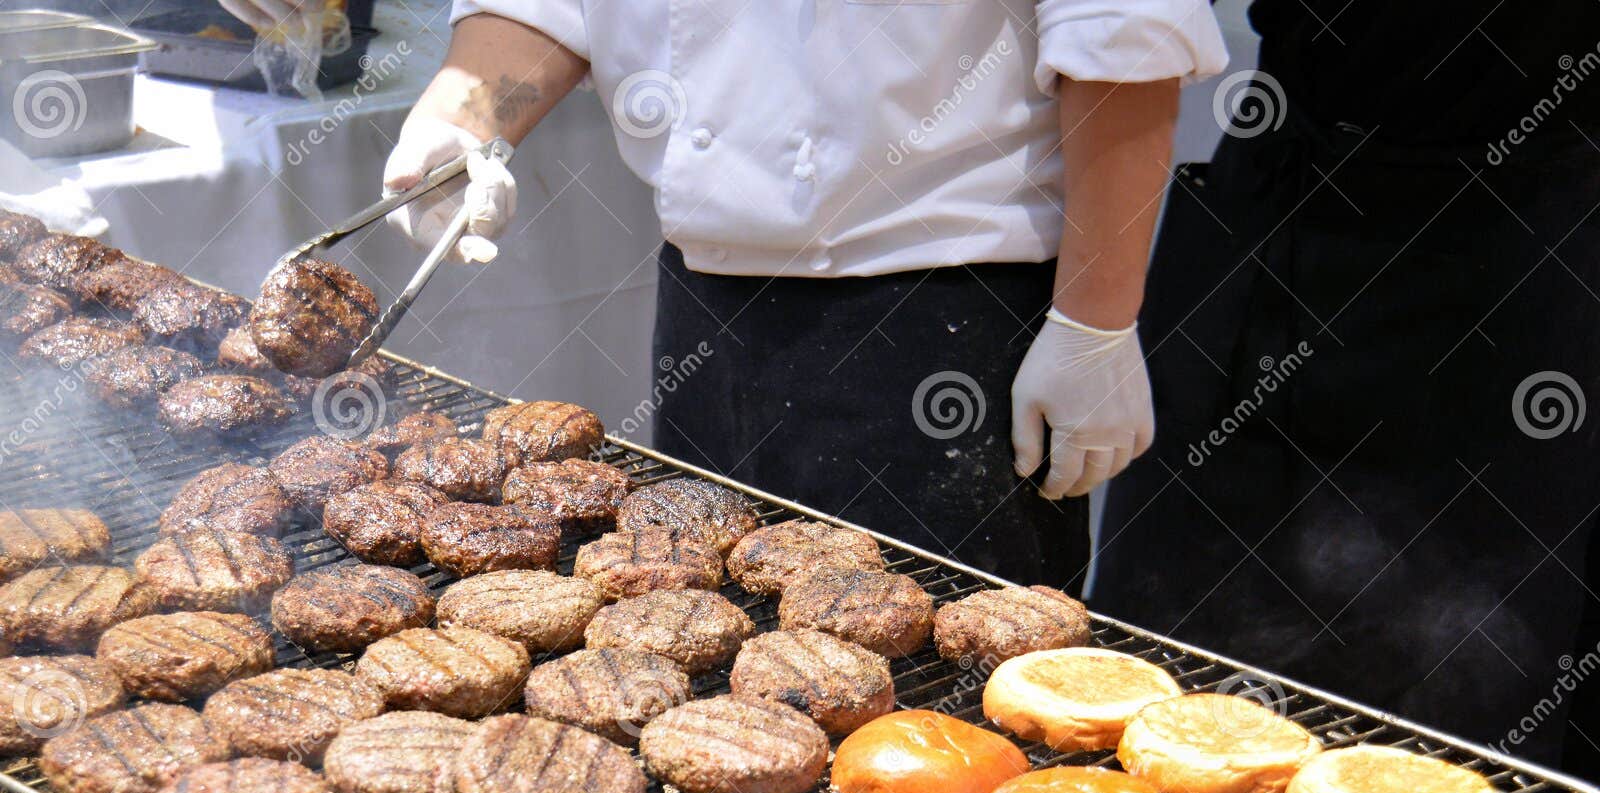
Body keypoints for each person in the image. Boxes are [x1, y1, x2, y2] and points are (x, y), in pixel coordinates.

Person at [224, 0, 1227, 588]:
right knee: (714, 650)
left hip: (936, 329)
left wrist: (1094, 321)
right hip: (708, 313)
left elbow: (1122, 40)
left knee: (933, 719)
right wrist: (467, 114)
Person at [1092, 1, 1600, 774]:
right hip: (1292, 215)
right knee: (1175, 709)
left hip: (1536, 262)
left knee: (1475, 754)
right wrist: (1089, 317)